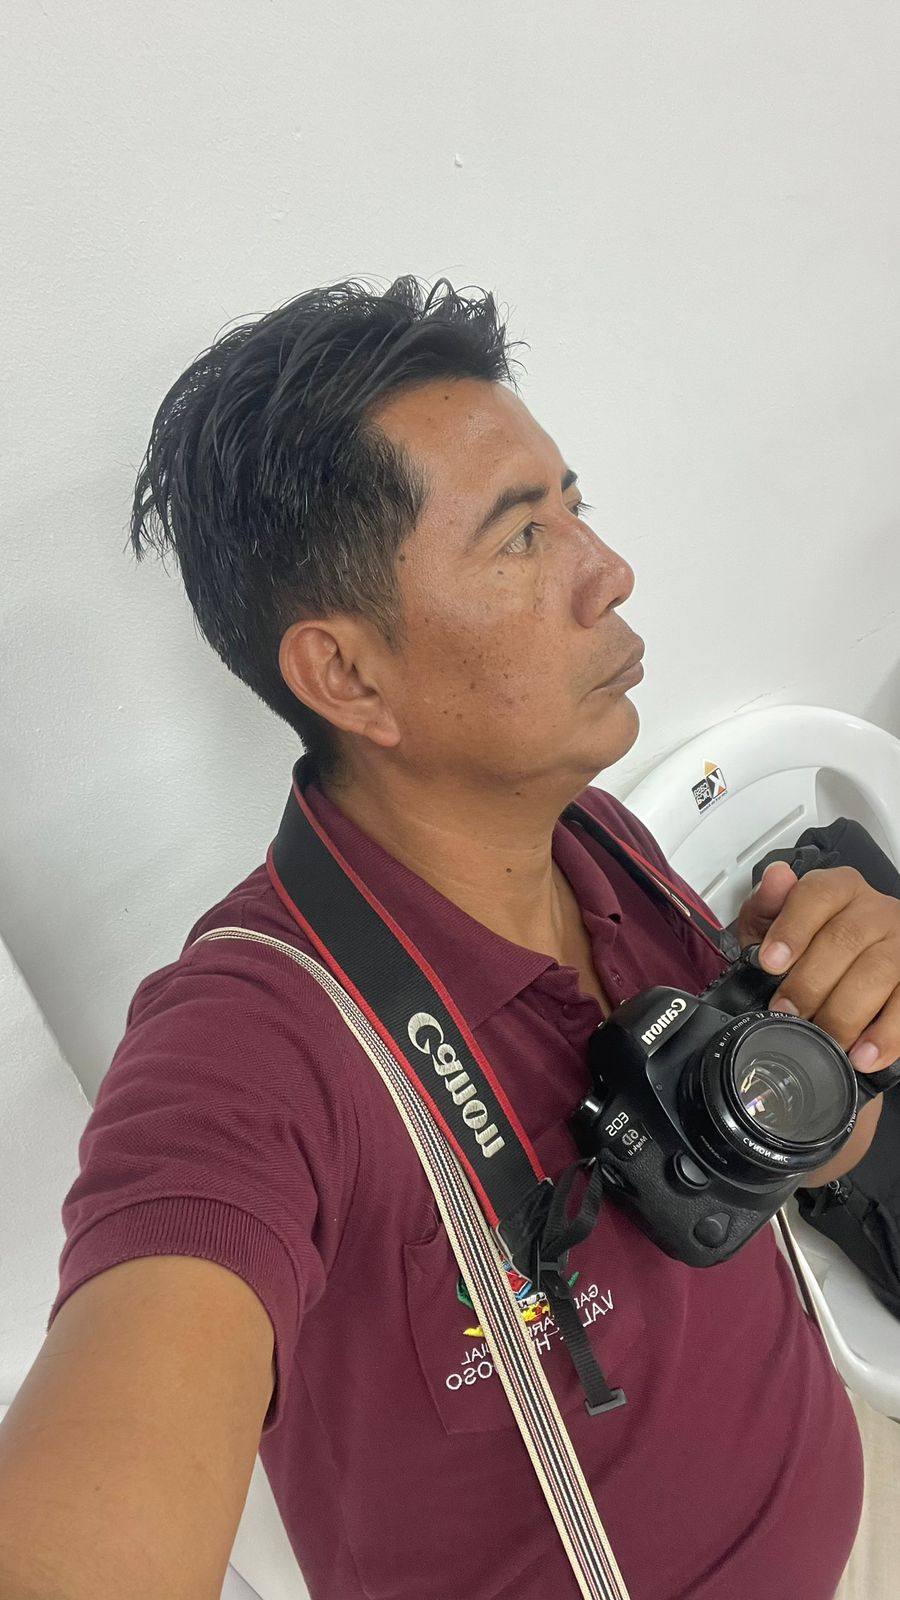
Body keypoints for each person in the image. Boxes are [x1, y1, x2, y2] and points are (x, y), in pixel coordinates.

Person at [2, 277, 898, 1600]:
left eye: (576, 506)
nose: (610, 570)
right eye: (524, 536)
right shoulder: (249, 1049)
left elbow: (799, 1167)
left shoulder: (591, 835)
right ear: (349, 676)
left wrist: (846, 1036)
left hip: (850, 1501)